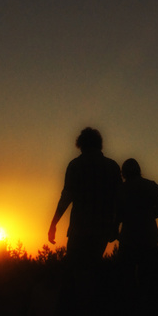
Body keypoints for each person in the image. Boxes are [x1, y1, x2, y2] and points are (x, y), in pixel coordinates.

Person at [48, 127, 122, 301]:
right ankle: (94, 312)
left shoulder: (76, 165)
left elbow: (66, 197)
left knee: (75, 274)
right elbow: (119, 200)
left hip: (79, 229)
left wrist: (53, 223)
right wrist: (115, 226)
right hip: (102, 229)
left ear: (80, 144)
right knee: (93, 271)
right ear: (99, 143)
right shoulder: (112, 167)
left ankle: (77, 315)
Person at [116, 158, 158, 291]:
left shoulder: (121, 190)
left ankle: (131, 307)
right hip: (149, 238)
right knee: (148, 279)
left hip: (128, 239)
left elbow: (116, 214)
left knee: (127, 279)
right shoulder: (151, 186)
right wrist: (150, 215)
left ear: (124, 173)